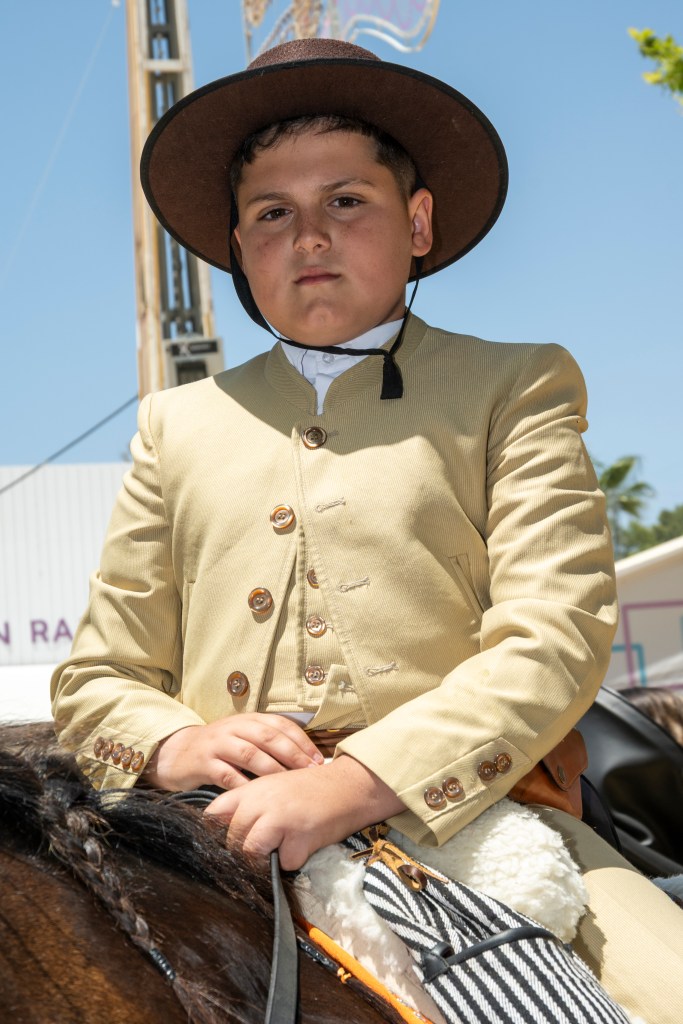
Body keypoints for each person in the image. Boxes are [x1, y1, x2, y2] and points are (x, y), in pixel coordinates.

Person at [51, 37, 683, 1021]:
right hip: (205, 831)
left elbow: (550, 637)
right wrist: (180, 746)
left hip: (474, 815)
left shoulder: (513, 387)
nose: (308, 236)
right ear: (234, 245)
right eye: (272, 213)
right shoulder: (174, 425)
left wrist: (355, 782)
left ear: (417, 222)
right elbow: (96, 682)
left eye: (344, 201)